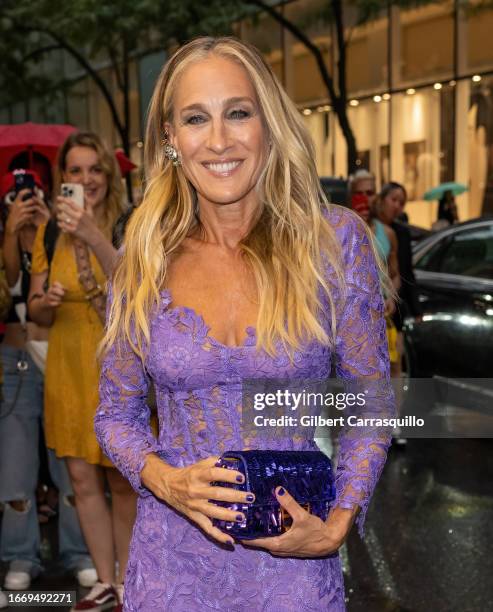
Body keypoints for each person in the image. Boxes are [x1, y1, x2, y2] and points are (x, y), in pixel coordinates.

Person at [95, 36, 395, 610]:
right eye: (195, 119)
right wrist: (165, 480)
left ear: (268, 124)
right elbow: (115, 414)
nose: (219, 140)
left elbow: (373, 402)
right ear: (171, 140)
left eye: (238, 112)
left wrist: (338, 522)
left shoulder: (331, 243)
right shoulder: (144, 258)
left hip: (295, 565)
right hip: (171, 565)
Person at [28, 133, 133, 611]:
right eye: (75, 170)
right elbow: (36, 314)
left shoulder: (128, 222)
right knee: (83, 481)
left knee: (122, 480)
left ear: (107, 176)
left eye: (95, 170)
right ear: (62, 177)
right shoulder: (51, 232)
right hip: (68, 367)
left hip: (118, 367)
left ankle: (132, 580)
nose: (85, 179)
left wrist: (91, 233)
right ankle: (104, 580)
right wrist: (44, 302)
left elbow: (137, 293)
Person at [0, 170, 94, 590]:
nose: (27, 202)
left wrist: (43, 229)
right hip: (18, 360)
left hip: (60, 358)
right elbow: (11, 288)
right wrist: (10, 233)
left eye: (35, 195)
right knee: (15, 467)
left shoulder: (57, 234)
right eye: (16, 196)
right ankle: (20, 554)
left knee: (72, 464)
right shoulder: (8, 236)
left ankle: (79, 551)